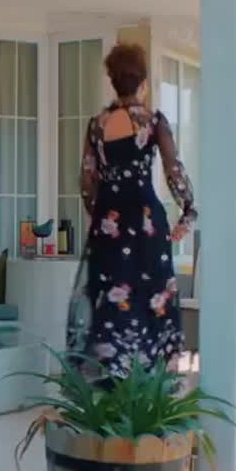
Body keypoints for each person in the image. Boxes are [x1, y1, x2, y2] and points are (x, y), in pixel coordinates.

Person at [65, 43, 197, 381]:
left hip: (109, 225)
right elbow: (174, 170)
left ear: (113, 81)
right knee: (152, 299)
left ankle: (112, 379)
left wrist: (101, 216)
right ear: (143, 82)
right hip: (145, 221)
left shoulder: (97, 125)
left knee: (111, 299)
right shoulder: (152, 121)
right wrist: (188, 212)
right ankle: (150, 384)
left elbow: (87, 179)